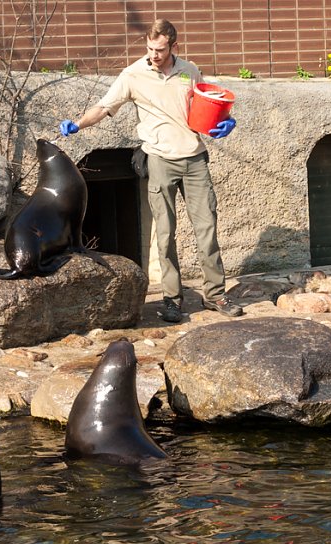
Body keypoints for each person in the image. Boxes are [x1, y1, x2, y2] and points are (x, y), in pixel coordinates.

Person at [58, 18, 242, 323]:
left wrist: (226, 122)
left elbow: (207, 106)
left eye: (160, 49)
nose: (154, 55)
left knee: (207, 230)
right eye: (149, 48)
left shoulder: (189, 71)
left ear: (173, 46)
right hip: (159, 159)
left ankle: (215, 295)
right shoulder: (133, 75)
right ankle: (172, 300)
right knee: (165, 234)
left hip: (195, 159)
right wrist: (78, 124)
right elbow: (103, 107)